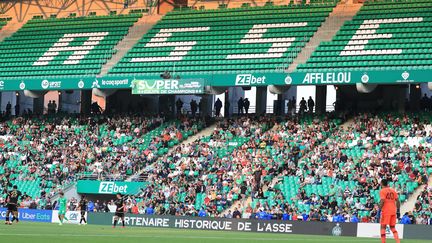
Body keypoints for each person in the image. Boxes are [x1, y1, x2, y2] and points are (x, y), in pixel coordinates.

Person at [379, 179, 400, 243]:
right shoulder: (393, 191)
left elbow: (382, 200)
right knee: (393, 227)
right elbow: (398, 201)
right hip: (393, 211)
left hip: (386, 211)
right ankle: (398, 241)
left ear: (382, 184)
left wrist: (379, 208)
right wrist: (398, 209)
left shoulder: (382, 191)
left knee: (383, 227)